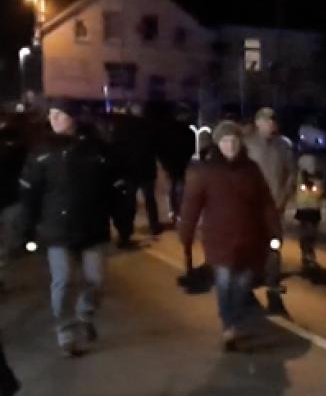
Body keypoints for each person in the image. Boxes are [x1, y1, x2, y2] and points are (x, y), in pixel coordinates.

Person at [20, 99, 120, 356]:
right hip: (56, 230)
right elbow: (30, 194)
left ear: (73, 118)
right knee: (62, 281)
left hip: (92, 228)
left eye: (59, 115)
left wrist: (118, 217)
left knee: (95, 280)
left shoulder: (96, 150)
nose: (53, 119)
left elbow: (114, 188)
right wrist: (28, 228)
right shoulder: (41, 152)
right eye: (51, 115)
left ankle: (84, 314)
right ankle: (65, 332)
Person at [179, 121, 282, 351]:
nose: (231, 145)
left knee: (243, 283)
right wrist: (185, 233)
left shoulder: (251, 170)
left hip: (250, 238)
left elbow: (265, 203)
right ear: (218, 144)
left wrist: (275, 231)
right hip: (219, 240)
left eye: (234, 141)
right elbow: (191, 205)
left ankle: (235, 317)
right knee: (225, 283)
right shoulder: (206, 171)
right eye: (226, 141)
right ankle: (230, 325)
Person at [244, 107, 296, 315]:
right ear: (258, 122)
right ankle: (247, 284)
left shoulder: (283, 147)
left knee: (274, 246)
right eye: (266, 121)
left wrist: (284, 197)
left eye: (272, 121)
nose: (270, 124)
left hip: (275, 206)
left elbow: (291, 173)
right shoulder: (247, 145)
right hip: (251, 207)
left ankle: (272, 286)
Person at [114, 103, 162, 245]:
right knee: (150, 199)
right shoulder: (150, 126)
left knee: (129, 202)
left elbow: (117, 149)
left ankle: (126, 232)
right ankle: (154, 226)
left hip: (130, 170)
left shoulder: (121, 127)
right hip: (147, 168)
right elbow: (155, 147)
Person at [0, 111, 28, 291]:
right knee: (7, 241)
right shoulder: (20, 149)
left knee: (6, 241)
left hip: (10, 199)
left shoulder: (18, 149)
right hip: (11, 199)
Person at [157, 104, 196, 226]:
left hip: (170, 162)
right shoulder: (188, 131)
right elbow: (191, 148)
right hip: (181, 163)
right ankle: (179, 213)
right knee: (180, 188)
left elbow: (161, 148)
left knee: (172, 188)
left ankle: (173, 212)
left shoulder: (166, 130)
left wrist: (163, 161)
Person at [293, 168, 326, 279]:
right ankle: (306, 255)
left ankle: (309, 254)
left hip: (312, 209)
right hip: (305, 208)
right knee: (305, 233)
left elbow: (320, 192)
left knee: (310, 233)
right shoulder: (300, 177)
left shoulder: (318, 178)